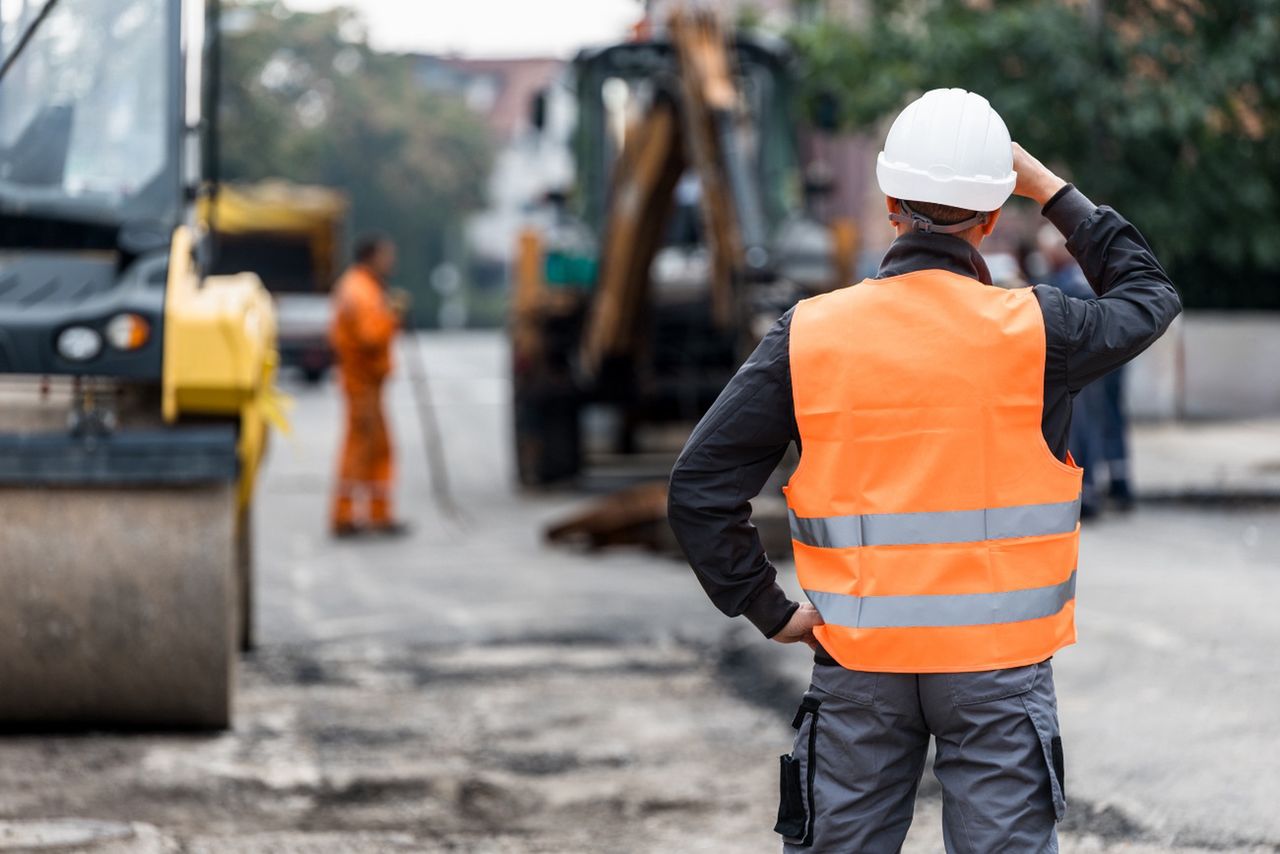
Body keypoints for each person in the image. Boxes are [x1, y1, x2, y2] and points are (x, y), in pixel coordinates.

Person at [667, 88, 1181, 851]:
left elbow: (699, 489)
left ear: (888, 200)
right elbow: (1150, 294)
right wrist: (1052, 191)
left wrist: (770, 610)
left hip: (858, 661)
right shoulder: (1040, 330)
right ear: (992, 215)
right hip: (999, 671)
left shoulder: (810, 334)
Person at [329, 234, 409, 537]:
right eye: (387, 255)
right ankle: (345, 515)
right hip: (361, 383)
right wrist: (393, 316)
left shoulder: (363, 286)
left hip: (369, 384)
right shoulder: (360, 290)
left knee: (379, 449)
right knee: (360, 448)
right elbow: (369, 337)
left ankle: (378, 514)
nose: (391, 262)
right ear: (371, 256)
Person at [1038, 224, 1108, 518]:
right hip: (1088, 364)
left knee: (1079, 431)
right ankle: (1091, 489)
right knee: (1090, 428)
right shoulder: (1077, 279)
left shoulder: (1066, 284)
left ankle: (1086, 491)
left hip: (1075, 363)